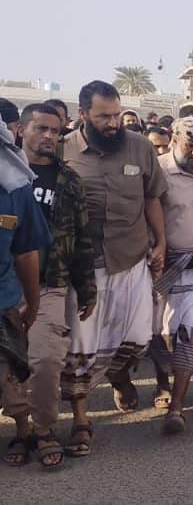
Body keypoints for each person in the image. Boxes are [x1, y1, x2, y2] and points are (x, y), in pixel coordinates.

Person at [60, 81, 167, 455]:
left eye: (116, 114)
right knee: (81, 347)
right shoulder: (63, 150)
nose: (112, 123)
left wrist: (161, 242)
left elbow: (152, 197)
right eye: (103, 116)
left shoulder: (140, 147)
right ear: (83, 114)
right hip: (84, 268)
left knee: (137, 339)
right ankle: (81, 420)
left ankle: (119, 378)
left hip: (131, 259)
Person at [2, 106, 84, 469]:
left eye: (56, 130)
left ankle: (44, 428)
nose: (49, 135)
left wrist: (87, 286)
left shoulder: (66, 180)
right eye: (41, 128)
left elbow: (81, 236)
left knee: (46, 360)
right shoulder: (10, 176)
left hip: (47, 284)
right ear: (21, 129)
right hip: (8, 286)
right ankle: (22, 428)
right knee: (9, 365)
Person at [151, 116, 193, 434]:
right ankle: (162, 382)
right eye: (191, 145)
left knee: (189, 331)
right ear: (174, 139)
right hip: (163, 267)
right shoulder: (158, 170)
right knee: (158, 333)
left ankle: (177, 406)